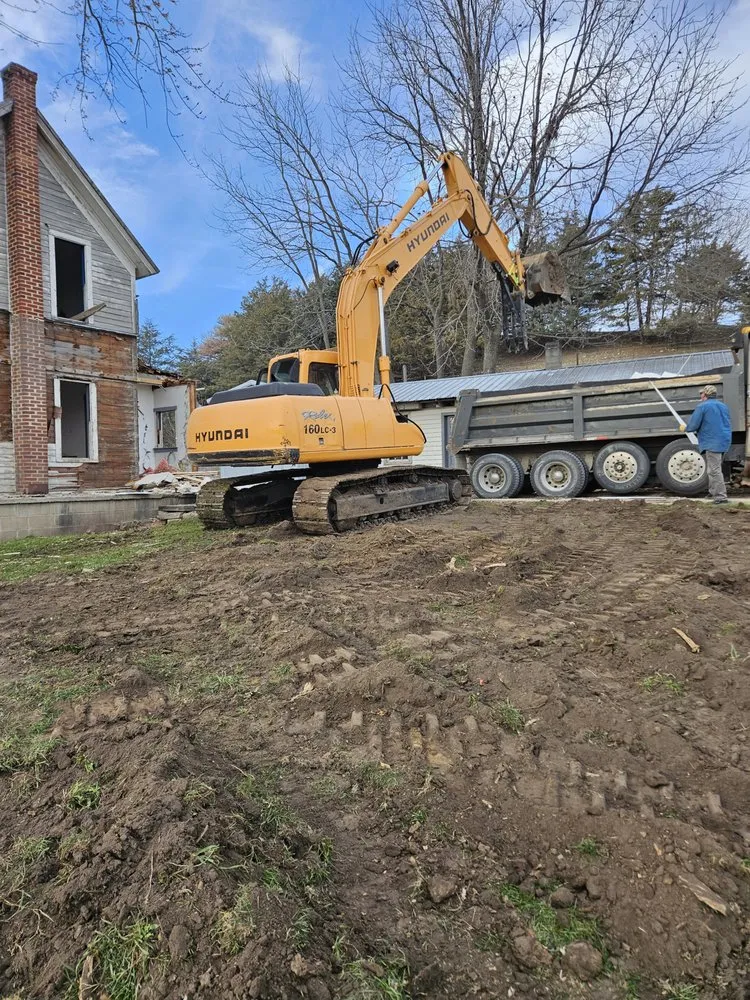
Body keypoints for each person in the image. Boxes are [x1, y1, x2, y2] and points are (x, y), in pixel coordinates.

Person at [679, 385, 732, 504]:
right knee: (712, 469)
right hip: (724, 440)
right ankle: (713, 492)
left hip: (712, 441)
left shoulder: (702, 406)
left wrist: (685, 428)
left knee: (714, 470)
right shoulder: (723, 406)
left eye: (701, 394)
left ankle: (721, 497)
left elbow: (693, 425)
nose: (700, 396)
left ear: (705, 395)